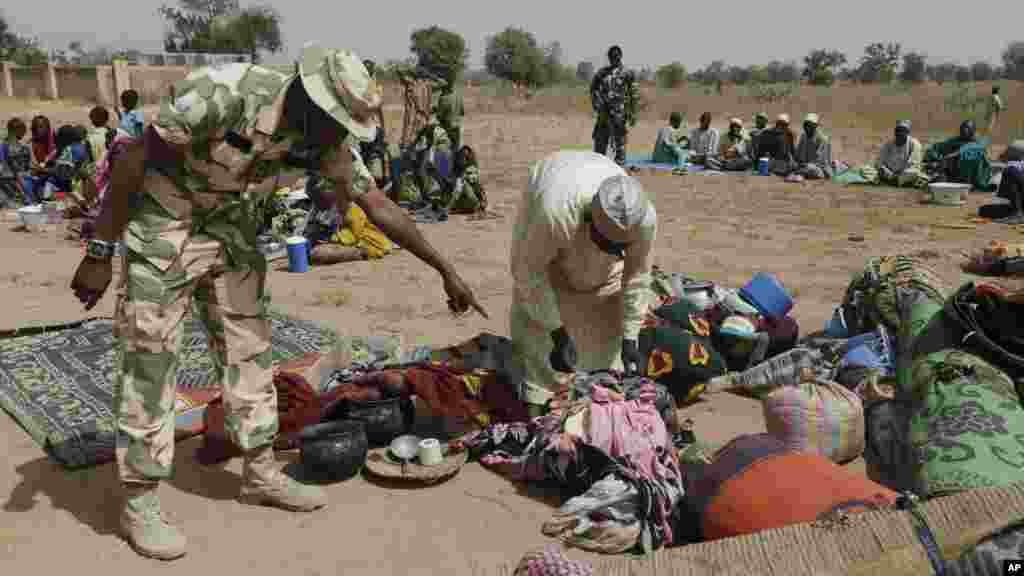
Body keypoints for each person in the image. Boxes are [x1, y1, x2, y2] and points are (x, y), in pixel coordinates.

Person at [68, 44, 487, 561]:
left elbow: (375, 203)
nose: (339, 139)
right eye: (334, 123)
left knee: (250, 353)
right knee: (149, 361)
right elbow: (133, 157)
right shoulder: (223, 93)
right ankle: (142, 500)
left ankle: (260, 472)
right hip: (165, 224)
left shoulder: (325, 141)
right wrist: (100, 250)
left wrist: (445, 269)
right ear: (308, 101)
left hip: (236, 234)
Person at [510, 150, 656, 415]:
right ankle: (538, 401)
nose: (613, 253)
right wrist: (556, 331)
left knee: (607, 325)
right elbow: (528, 273)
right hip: (554, 181)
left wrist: (631, 337)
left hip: (592, 177)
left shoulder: (643, 219)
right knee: (539, 331)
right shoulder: (555, 213)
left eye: (620, 248)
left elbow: (637, 276)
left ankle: (595, 399)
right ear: (588, 220)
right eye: (606, 244)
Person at [590, 45, 637, 166]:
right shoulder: (602, 73)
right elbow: (593, 88)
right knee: (599, 143)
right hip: (603, 114)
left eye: (616, 56)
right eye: (611, 56)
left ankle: (619, 170)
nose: (614, 58)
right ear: (609, 57)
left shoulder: (627, 73)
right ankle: (598, 168)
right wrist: (596, 103)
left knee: (620, 146)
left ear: (620, 56)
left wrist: (633, 113)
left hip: (619, 115)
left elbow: (634, 94)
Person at [359, 60, 390, 190]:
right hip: (372, 128)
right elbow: (380, 111)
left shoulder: (361, 87)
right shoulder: (376, 87)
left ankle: (374, 186)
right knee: (374, 155)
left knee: (369, 157)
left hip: (368, 128)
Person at [873, 120, 928, 188]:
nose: (899, 133)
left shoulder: (914, 144)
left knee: (914, 172)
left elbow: (914, 163)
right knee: (866, 170)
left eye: (903, 131)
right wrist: (887, 172)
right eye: (898, 130)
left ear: (908, 132)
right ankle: (896, 181)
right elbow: (879, 161)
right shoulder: (888, 144)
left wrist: (899, 173)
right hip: (889, 172)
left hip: (905, 172)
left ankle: (895, 181)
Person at [434, 145, 486, 213]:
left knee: (460, 186)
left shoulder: (469, 171)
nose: (463, 159)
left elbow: (477, 185)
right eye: (461, 157)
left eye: (465, 157)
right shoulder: (456, 168)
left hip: (469, 201)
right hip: (464, 200)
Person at [0, 118, 33, 206]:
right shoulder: (21, 148)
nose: (24, 133)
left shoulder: (5, 146)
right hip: (11, 181)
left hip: (13, 180)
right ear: (16, 131)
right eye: (23, 131)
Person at [794, 113, 833, 179]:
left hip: (820, 169)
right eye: (806, 125)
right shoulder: (803, 137)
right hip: (805, 166)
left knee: (810, 168)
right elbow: (798, 155)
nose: (807, 128)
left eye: (810, 126)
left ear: (815, 126)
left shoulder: (822, 139)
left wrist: (806, 165)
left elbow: (822, 161)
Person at [994, 141, 1024, 224]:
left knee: (1009, 172)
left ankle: (1017, 214)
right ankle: (1017, 212)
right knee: (984, 210)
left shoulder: (1013, 166)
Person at [435, 79, 465, 153]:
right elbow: (462, 112)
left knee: (441, 149)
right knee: (456, 149)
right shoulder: (458, 97)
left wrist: (436, 111)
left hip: (447, 128)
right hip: (457, 127)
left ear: (443, 88)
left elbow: (439, 116)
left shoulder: (443, 98)